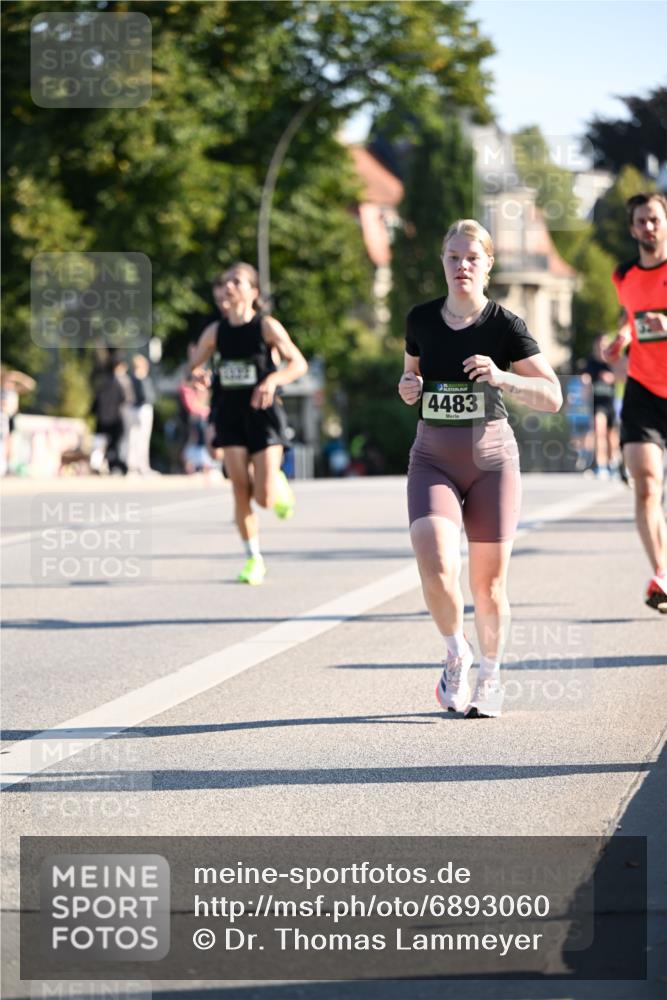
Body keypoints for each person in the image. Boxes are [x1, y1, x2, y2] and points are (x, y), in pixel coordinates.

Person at [398, 219, 562, 718]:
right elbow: (411, 375)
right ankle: (456, 653)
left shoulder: (505, 326)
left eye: (472, 257)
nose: (462, 266)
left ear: (487, 265)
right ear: (443, 262)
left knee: (488, 586)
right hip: (432, 459)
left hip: (491, 462)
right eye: (454, 257)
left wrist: (503, 377)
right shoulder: (421, 320)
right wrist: (408, 387)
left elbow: (553, 396)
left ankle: (490, 675)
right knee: (437, 561)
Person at [188, 262, 308, 585]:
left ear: (253, 292)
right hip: (229, 414)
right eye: (226, 282)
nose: (228, 287)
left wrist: (273, 380)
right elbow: (194, 365)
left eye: (236, 282)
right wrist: (198, 376)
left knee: (264, 498)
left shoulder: (266, 327)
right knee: (240, 490)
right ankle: (253, 558)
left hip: (264, 415)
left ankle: (277, 485)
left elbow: (298, 363)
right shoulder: (215, 332)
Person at [603, 193, 667, 613]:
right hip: (644, 389)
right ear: (632, 228)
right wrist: (623, 338)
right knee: (645, 483)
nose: (649, 227)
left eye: (655, 219)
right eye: (641, 221)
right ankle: (661, 575)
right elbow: (633, 317)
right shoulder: (623, 275)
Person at [583, 334, 621, 479]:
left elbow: (623, 374)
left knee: (612, 436)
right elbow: (585, 376)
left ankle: (613, 464)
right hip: (597, 403)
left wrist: (612, 377)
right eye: (598, 345)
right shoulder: (591, 362)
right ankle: (601, 465)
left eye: (603, 345)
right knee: (599, 432)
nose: (601, 348)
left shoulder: (612, 361)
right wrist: (585, 381)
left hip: (610, 402)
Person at [0, 365, 36, 476]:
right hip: (3, 418)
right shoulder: (1, 390)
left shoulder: (14, 390)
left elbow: (31, 384)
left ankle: (9, 466)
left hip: (11, 418)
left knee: (11, 443)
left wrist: (17, 376)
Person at [127, 354, 157, 474]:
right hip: (142, 410)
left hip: (132, 410)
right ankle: (142, 466)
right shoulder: (143, 379)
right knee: (142, 439)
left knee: (132, 438)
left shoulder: (130, 379)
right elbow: (148, 396)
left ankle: (132, 466)